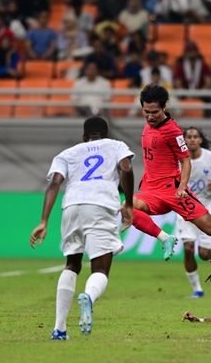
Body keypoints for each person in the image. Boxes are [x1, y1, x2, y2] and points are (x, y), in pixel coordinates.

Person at [29, 116, 135, 340]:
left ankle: (59, 329)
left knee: (72, 264)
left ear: (83, 136)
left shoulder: (67, 153)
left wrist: (43, 221)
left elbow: (55, 182)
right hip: (100, 203)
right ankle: (88, 295)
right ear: (106, 134)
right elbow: (126, 168)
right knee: (100, 269)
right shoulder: (116, 145)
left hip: (71, 206)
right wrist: (129, 203)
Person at [125, 84, 211, 261]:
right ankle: (165, 238)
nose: (150, 116)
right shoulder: (149, 124)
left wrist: (182, 187)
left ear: (164, 107)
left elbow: (185, 160)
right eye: (146, 111)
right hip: (152, 190)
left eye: (155, 112)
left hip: (173, 191)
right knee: (127, 207)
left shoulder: (172, 131)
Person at [176, 127, 211, 298]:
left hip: (208, 206)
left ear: (200, 140)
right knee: (188, 247)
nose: (192, 139)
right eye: (189, 137)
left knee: (204, 254)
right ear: (184, 140)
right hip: (185, 206)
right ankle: (197, 289)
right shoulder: (177, 159)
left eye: (195, 137)